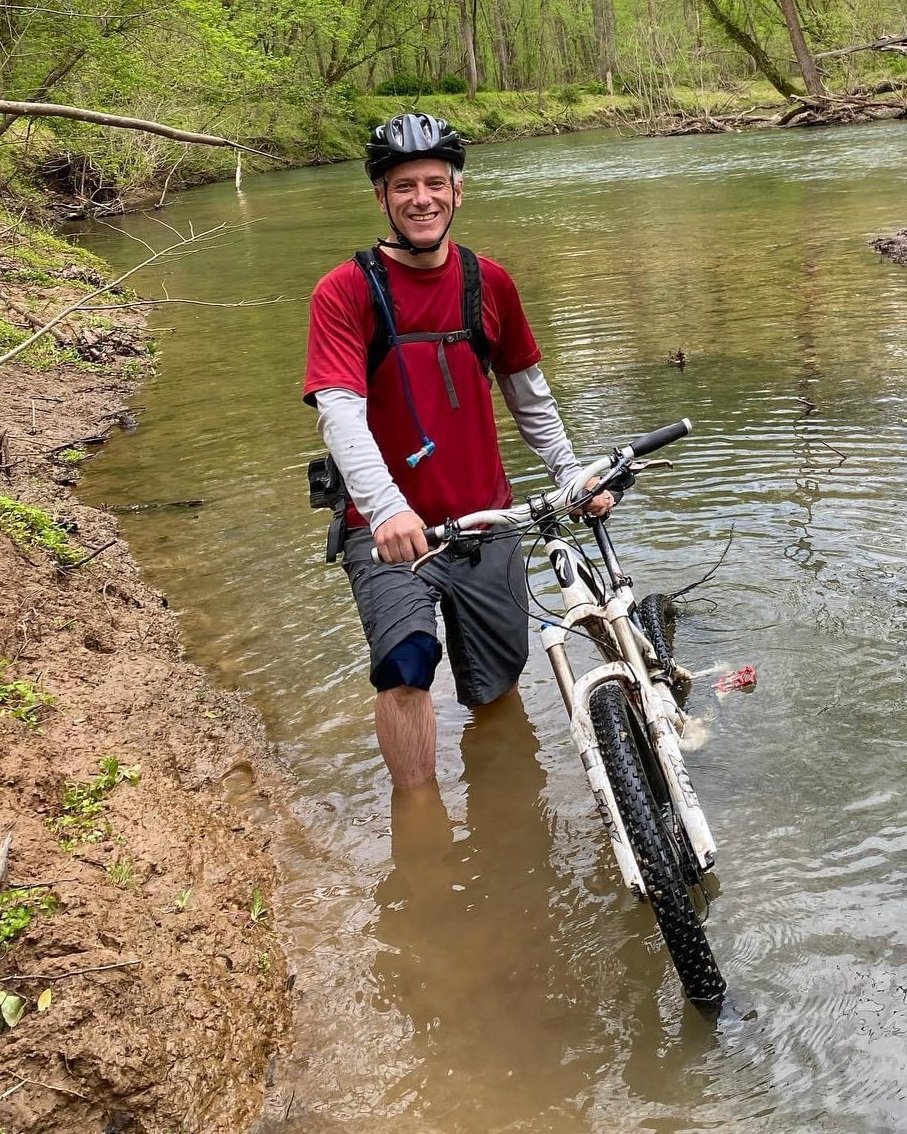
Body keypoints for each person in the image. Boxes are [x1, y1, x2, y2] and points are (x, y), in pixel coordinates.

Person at [303, 112, 614, 789]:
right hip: (386, 532)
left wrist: (571, 476)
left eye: (434, 184)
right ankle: (419, 821)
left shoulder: (489, 282)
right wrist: (387, 509)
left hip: (485, 520)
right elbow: (339, 411)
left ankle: (504, 806)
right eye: (404, 186)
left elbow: (529, 395)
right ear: (381, 198)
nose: (421, 199)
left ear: (457, 191)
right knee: (405, 666)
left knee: (496, 684)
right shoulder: (344, 291)